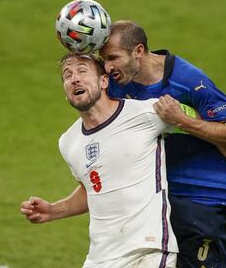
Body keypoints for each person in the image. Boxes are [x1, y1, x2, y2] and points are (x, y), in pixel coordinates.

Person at [99, 20, 226, 268]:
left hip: (205, 198)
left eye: (113, 58)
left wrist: (183, 121)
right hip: (160, 197)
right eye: (104, 59)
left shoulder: (189, 80)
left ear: (138, 51)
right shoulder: (118, 82)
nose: (107, 68)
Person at [20, 53, 178, 268]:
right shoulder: (69, 142)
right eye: (67, 75)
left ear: (104, 81)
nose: (74, 78)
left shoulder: (146, 113)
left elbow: (199, 120)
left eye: (82, 71)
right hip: (100, 258)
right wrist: (53, 210)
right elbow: (93, 189)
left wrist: (188, 119)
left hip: (146, 250)